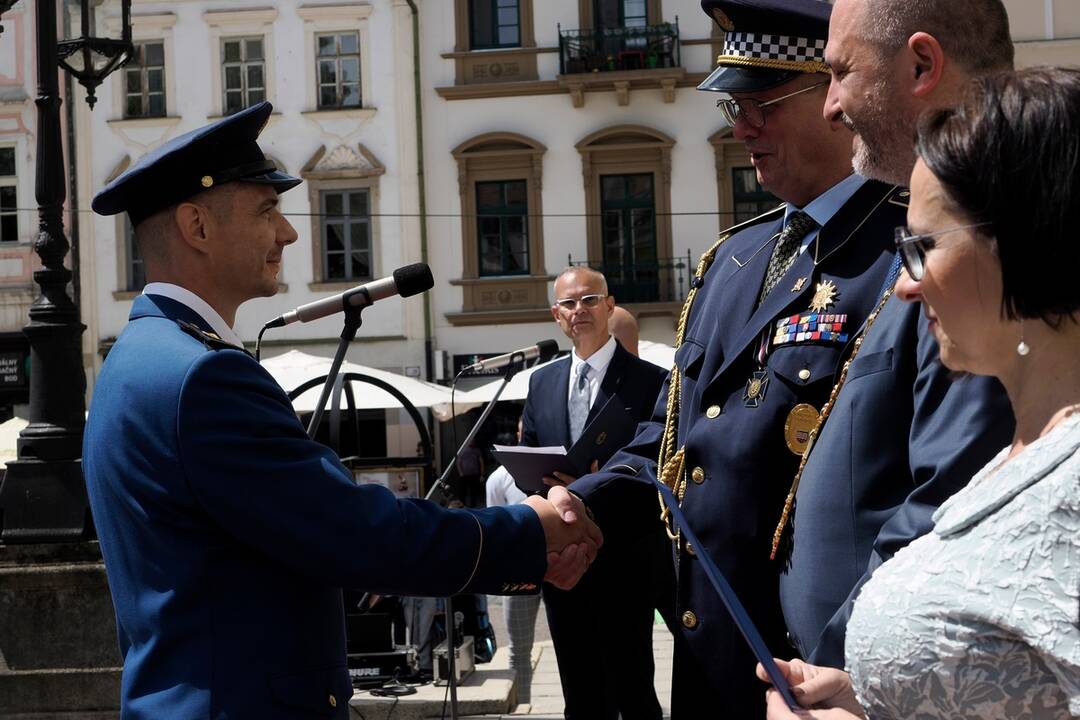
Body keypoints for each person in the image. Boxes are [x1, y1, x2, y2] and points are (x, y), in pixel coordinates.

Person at [82, 102, 602, 720]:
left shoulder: (138, 358)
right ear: (197, 226)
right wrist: (531, 530)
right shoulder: (203, 374)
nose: (289, 233)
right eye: (267, 210)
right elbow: (351, 533)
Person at [570, 1, 914, 714]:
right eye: (734, 106)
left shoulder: (906, 249)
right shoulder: (731, 258)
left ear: (834, 96)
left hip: (820, 680)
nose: (741, 127)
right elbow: (670, 439)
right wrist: (578, 507)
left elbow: (921, 490)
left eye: (761, 102)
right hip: (711, 673)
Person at [762, 66, 1080, 720]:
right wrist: (862, 695)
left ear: (1017, 244)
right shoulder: (1025, 448)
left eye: (923, 246)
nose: (906, 285)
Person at [778, 0, 1016, 667]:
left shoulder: (989, 245)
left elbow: (952, 498)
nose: (830, 107)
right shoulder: (926, 228)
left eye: (841, 73)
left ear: (920, 64)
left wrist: (847, 671)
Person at [520, 266, 669, 720]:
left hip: (624, 556)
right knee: (580, 695)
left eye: (589, 300)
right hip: (564, 558)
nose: (579, 310)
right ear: (556, 315)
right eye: (568, 303)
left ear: (609, 306)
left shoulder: (651, 380)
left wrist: (586, 487)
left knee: (632, 688)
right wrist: (541, 484)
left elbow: (657, 458)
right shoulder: (540, 381)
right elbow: (529, 452)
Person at [485, 417, 541, 707]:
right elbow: (495, 523)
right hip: (520, 569)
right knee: (519, 648)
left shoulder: (562, 466)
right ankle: (523, 706)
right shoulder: (500, 477)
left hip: (562, 562)